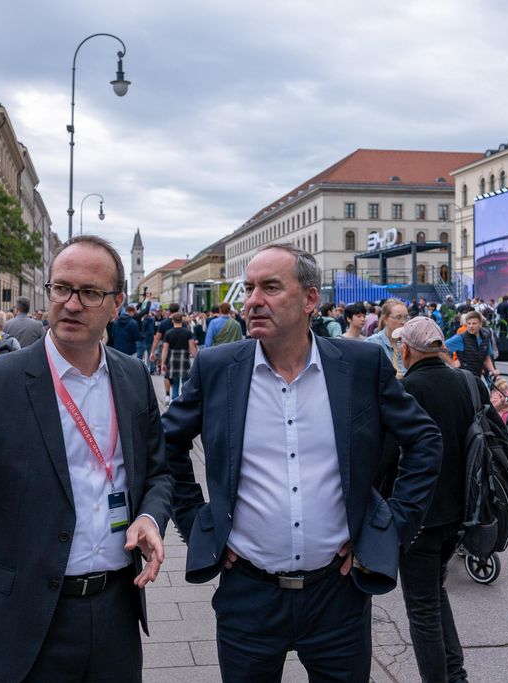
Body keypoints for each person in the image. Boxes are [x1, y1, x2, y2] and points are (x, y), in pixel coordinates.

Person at [162, 244, 442, 682]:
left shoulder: (360, 364)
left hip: (338, 595)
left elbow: (424, 439)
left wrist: (391, 528)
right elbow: (168, 442)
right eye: (250, 287)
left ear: (310, 299)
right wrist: (199, 520)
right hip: (248, 595)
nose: (253, 299)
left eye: (270, 287)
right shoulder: (218, 368)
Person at [0, 235, 173, 682]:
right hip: (26, 616)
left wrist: (148, 515)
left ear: (117, 303)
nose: (71, 303)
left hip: (115, 612)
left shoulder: (132, 377)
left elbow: (158, 473)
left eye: (90, 293)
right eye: (61, 288)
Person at [381, 316, 489, 682]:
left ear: (406, 349)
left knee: (422, 609)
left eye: (400, 345)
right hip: (460, 512)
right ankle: (455, 674)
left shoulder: (406, 390)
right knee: (435, 594)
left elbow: (386, 456)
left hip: (418, 516)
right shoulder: (467, 382)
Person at [443, 310, 497, 378]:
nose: (471, 326)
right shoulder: (460, 338)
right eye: (469, 323)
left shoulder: (485, 337)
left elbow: (486, 358)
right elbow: (440, 349)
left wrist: (492, 370)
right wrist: (452, 363)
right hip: (463, 378)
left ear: (480, 324)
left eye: (474, 323)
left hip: (477, 377)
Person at [365, 298, 409, 378]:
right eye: (398, 317)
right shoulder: (372, 343)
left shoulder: (409, 342)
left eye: (406, 317)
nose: (403, 322)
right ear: (385, 319)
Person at [159, 312, 196, 403]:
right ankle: (186, 401)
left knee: (175, 383)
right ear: (182, 320)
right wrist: (196, 359)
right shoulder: (187, 332)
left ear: (172, 321)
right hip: (184, 360)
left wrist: (163, 362)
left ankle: (174, 402)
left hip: (172, 360)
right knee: (185, 382)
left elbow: (165, 349)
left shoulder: (168, 333)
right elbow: (192, 349)